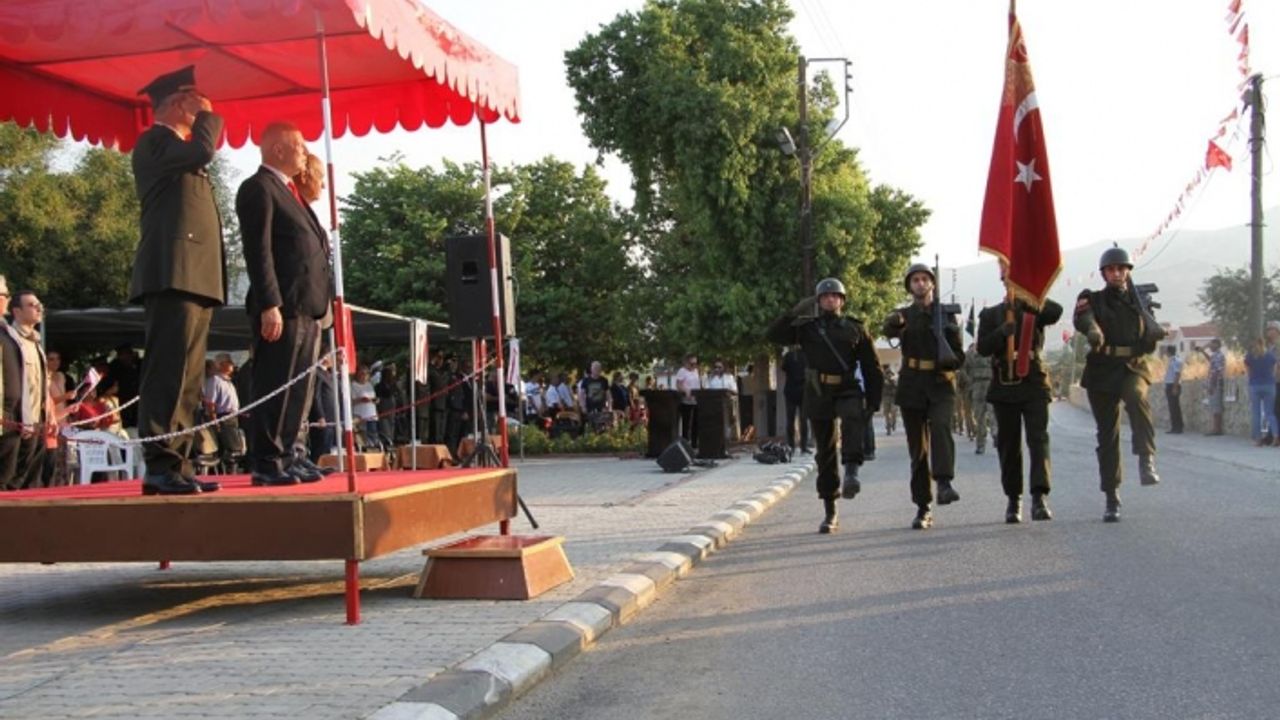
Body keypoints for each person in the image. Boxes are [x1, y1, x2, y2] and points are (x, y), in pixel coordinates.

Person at [129, 66, 226, 495]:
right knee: (168, 369)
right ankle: (160, 462)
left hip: (195, 274)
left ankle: (179, 461)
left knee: (188, 377)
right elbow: (203, 152)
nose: (201, 104)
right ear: (174, 102)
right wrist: (207, 117)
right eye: (194, 98)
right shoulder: (154, 141)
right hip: (172, 271)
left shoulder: (178, 149)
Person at [237, 121, 334, 487]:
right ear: (278, 149)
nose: (305, 153)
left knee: (299, 389)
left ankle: (291, 454)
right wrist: (269, 303)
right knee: (276, 385)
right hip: (283, 305)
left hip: (308, 306)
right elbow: (258, 250)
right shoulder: (259, 188)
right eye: (300, 146)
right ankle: (268, 461)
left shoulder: (290, 192)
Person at [768, 278, 883, 534]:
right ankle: (830, 510)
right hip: (818, 391)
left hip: (847, 387)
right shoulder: (807, 328)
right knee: (825, 451)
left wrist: (874, 400)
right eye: (825, 296)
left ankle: (851, 472)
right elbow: (774, 335)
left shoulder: (855, 328)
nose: (830, 299)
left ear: (842, 300)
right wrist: (794, 312)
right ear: (819, 301)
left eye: (835, 296)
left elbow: (872, 366)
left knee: (852, 419)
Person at [1074, 245, 1167, 522]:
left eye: (1121, 269)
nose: (1116, 273)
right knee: (1107, 436)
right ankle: (1111, 496)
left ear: (1128, 272)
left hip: (1132, 366)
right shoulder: (1093, 298)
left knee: (1137, 398)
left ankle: (1146, 458)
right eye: (1111, 269)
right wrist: (1093, 329)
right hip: (1102, 370)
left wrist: (1153, 336)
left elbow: (1148, 339)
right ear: (1104, 273)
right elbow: (1083, 317)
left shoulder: (1140, 301)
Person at [882, 263, 964, 530]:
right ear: (909, 286)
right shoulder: (904, 315)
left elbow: (959, 355)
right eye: (915, 280)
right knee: (918, 449)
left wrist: (949, 351)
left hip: (940, 383)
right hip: (912, 384)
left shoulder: (947, 314)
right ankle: (923, 506)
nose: (920, 283)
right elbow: (888, 329)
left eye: (924, 279)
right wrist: (893, 323)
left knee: (940, 427)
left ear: (932, 284)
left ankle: (944, 482)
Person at [977, 288, 1063, 523]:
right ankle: (1013, 499)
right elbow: (982, 347)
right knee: (1008, 444)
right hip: (1004, 383)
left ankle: (1039, 497)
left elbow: (1056, 312)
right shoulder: (991, 314)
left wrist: (1031, 298)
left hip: (1033, 381)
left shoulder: (1034, 309)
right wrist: (1001, 332)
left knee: (1038, 440)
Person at [0, 291, 51, 490]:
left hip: (37, 422)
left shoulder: (35, 342)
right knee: (7, 481)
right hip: (15, 421)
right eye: (31, 305)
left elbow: (41, 385)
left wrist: (50, 415)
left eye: (39, 304)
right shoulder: (9, 340)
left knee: (30, 483)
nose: (39, 308)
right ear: (17, 311)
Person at [1244, 337, 1277, 446]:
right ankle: (1276, 436)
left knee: (1256, 413)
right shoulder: (1270, 355)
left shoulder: (1250, 356)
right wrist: (1271, 377)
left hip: (1255, 385)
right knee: (1270, 413)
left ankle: (1258, 440)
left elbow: (1248, 372)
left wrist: (1252, 379)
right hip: (1269, 385)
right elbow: (1275, 368)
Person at [780, 345, 810, 453]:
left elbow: (783, 368)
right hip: (803, 390)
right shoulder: (806, 356)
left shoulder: (788, 356)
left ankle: (791, 445)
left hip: (790, 390)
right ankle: (804, 446)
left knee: (790, 419)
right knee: (804, 419)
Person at [965, 342, 993, 453]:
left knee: (989, 414)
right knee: (981, 416)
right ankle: (982, 442)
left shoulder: (971, 353)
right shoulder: (971, 353)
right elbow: (964, 370)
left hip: (986, 385)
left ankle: (993, 436)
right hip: (979, 385)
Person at [1198, 338, 1226, 436]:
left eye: (1212, 344)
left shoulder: (1219, 356)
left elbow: (1217, 371)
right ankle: (1215, 428)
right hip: (1213, 382)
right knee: (1213, 405)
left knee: (1216, 405)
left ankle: (1217, 429)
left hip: (1216, 383)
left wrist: (1212, 385)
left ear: (1217, 345)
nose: (1210, 346)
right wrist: (1203, 351)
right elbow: (1211, 360)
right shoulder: (1215, 355)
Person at [675, 354, 701, 448]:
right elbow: (678, 385)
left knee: (696, 422)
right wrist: (686, 390)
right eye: (691, 363)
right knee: (686, 423)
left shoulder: (696, 371)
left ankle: (694, 444)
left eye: (695, 363)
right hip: (686, 401)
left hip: (696, 400)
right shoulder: (682, 371)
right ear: (686, 362)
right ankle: (685, 443)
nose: (694, 365)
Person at [1163, 345, 1184, 434]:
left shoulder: (1176, 361)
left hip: (1173, 385)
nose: (1165, 353)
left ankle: (1178, 427)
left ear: (1169, 351)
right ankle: (1174, 426)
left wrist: (1175, 387)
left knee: (1174, 407)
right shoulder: (1171, 360)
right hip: (1170, 384)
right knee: (1172, 407)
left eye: (1166, 351)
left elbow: (1177, 374)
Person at [881, 366, 898, 435]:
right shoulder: (882, 379)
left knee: (893, 412)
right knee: (886, 414)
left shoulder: (894, 378)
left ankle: (893, 423)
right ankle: (888, 426)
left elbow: (897, 388)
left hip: (893, 398)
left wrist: (893, 382)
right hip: (885, 397)